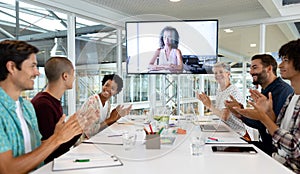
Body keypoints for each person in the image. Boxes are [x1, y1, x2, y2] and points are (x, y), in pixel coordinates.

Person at [0, 40, 82, 173]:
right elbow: (7, 169)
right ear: (12, 67)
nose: (37, 73)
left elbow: (38, 149)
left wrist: (62, 134)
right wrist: (57, 139)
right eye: (32, 66)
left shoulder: (27, 107)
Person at [232, 39, 300, 173]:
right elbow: (276, 128)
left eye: (286, 60)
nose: (280, 66)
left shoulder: (285, 91)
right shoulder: (291, 97)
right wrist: (268, 113)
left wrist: (262, 117)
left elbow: (294, 148)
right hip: (277, 158)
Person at [225, 54, 293, 156]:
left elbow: (267, 124)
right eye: (250, 68)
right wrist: (240, 111)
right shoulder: (266, 90)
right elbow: (261, 120)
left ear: (269, 69)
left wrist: (241, 114)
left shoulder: (282, 91)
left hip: (276, 151)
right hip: (266, 145)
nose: (251, 72)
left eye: (255, 67)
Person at [31, 57, 81, 164]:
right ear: (65, 76)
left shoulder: (52, 100)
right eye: (73, 74)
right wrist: (78, 128)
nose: (74, 78)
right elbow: (51, 150)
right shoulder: (43, 105)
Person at [196, 62, 250, 140]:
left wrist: (209, 105)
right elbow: (219, 113)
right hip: (226, 130)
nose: (218, 75)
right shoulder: (220, 90)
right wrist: (207, 104)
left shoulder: (233, 91)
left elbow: (225, 116)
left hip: (238, 135)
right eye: (215, 73)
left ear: (228, 74)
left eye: (221, 72)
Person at [79, 74, 132, 138]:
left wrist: (117, 117)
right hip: (84, 142)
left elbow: (105, 126)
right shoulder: (92, 102)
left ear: (116, 92)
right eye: (107, 85)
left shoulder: (107, 103)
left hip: (97, 138)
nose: (108, 89)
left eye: (112, 88)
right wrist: (110, 119)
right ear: (103, 85)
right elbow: (89, 131)